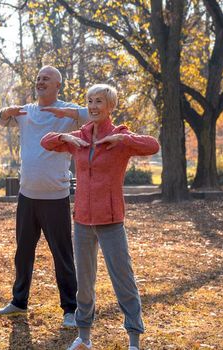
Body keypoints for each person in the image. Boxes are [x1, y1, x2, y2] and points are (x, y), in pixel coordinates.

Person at [40, 83, 160, 350]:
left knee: (123, 281)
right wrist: (65, 138)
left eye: (99, 102)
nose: (93, 106)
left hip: (111, 221)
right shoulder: (80, 137)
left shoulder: (120, 137)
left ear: (110, 106)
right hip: (82, 221)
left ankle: (133, 340)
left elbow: (153, 145)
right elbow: (45, 141)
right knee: (84, 284)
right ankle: (84, 337)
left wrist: (123, 140)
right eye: (90, 101)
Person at [0, 65, 89, 327]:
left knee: (63, 255)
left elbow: (93, 115)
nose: (40, 82)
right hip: (27, 196)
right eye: (38, 78)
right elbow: (0, 120)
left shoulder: (69, 112)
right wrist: (6, 112)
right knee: (23, 253)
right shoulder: (27, 111)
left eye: (46, 79)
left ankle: (71, 310)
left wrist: (66, 112)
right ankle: (18, 302)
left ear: (58, 85)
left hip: (56, 197)